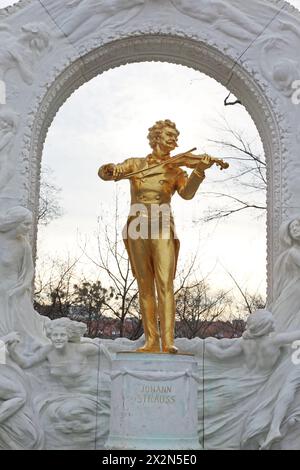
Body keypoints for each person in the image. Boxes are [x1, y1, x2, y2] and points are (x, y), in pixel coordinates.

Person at [98, 119, 217, 353]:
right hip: (137, 224)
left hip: (162, 223)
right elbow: (109, 173)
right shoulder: (135, 164)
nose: (174, 140)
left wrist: (199, 170)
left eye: (175, 136)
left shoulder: (176, 169)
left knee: (165, 283)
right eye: (169, 135)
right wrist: (109, 169)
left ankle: (168, 341)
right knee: (144, 285)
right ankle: (151, 341)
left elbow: (187, 194)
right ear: (156, 138)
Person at [0, 206, 48, 343]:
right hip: (2, 293)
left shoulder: (23, 245)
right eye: (26, 224)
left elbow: (29, 271)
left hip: (15, 294)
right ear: (15, 222)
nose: (28, 227)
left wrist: (20, 289)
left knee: (28, 336)